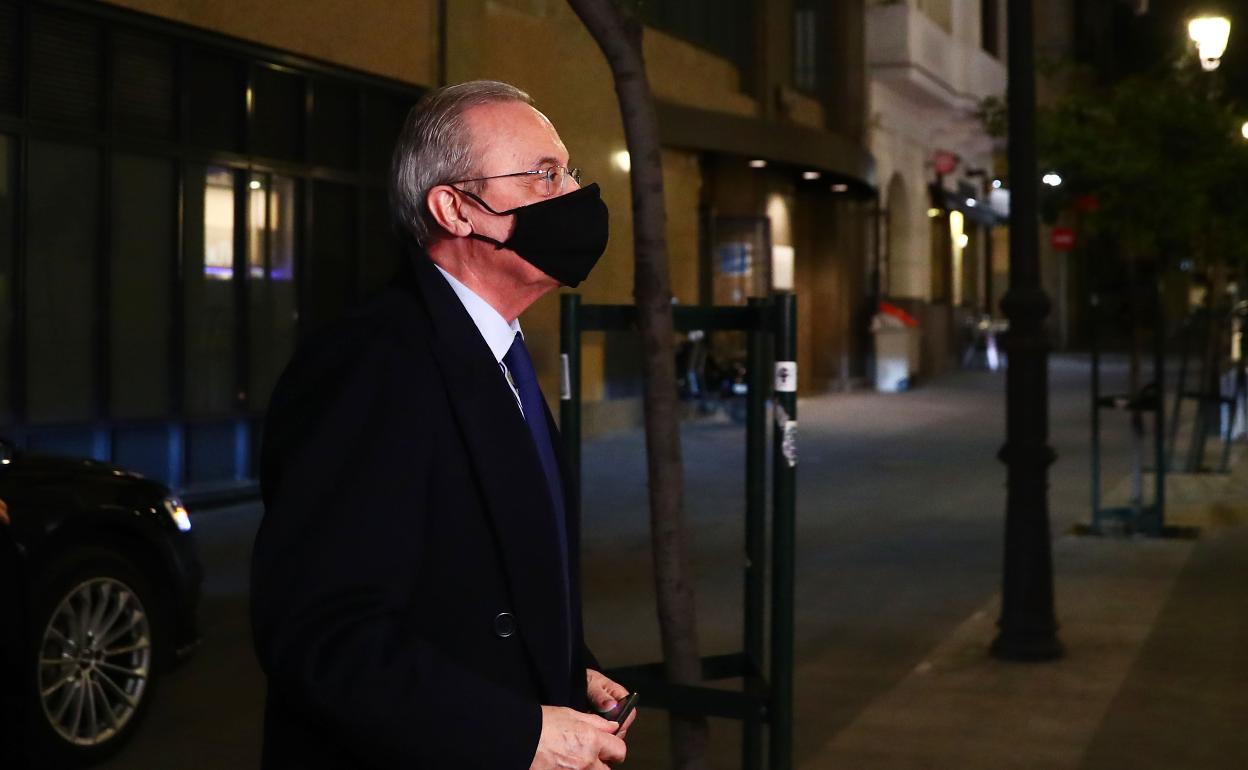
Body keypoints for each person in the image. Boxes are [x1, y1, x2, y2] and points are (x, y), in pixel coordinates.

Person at [251, 80, 635, 770]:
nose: (574, 193)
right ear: (455, 209)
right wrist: (520, 733)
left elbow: (480, 574)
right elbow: (323, 637)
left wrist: (562, 668)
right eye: (545, 174)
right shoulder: (370, 364)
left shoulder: (496, 350)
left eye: (569, 171)